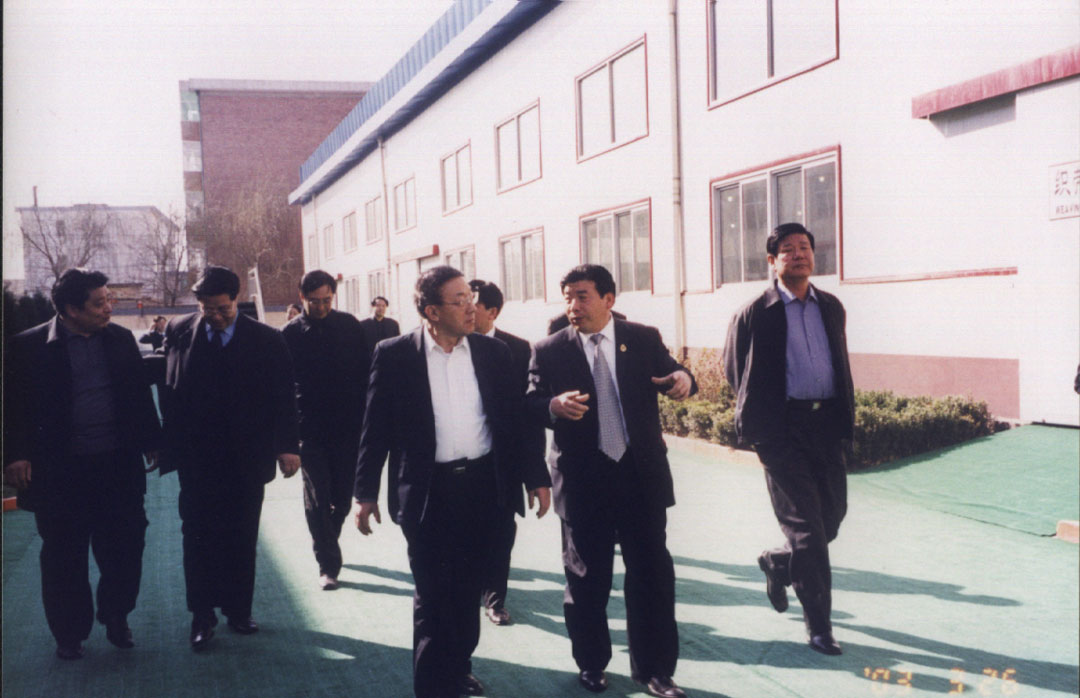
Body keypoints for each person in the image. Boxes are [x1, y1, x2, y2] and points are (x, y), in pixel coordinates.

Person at [354, 265, 551, 698]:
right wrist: (364, 493)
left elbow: (513, 423)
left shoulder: (493, 352)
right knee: (432, 592)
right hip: (428, 491)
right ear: (432, 311)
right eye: (459, 300)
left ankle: (458, 668)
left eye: (471, 298)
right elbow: (375, 428)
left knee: (467, 591)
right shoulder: (394, 354)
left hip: (484, 489)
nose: (471, 308)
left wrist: (535, 477)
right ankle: (432, 686)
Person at [527, 264, 695, 698]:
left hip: (640, 478)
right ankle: (592, 663)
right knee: (586, 579)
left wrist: (683, 379)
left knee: (652, 576)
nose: (573, 305)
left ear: (608, 299)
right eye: (567, 297)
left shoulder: (642, 338)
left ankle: (656, 671)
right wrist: (552, 406)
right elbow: (529, 403)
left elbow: (675, 371)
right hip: (584, 481)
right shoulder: (549, 349)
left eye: (582, 296)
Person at [2, 268, 162, 660]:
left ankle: (116, 615)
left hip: (116, 466)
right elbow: (12, 406)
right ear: (72, 309)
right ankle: (69, 634)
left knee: (126, 546)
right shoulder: (28, 346)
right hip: (60, 471)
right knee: (63, 554)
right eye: (100, 303)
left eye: (109, 300)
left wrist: (151, 440)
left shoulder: (121, 339)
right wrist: (15, 454)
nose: (109, 308)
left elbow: (138, 395)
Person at [722, 222, 855, 656]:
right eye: (788, 249)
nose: (798, 254)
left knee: (831, 518)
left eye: (804, 247)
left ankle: (779, 562)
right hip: (781, 432)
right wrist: (763, 421)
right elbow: (734, 370)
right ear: (772, 261)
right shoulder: (755, 312)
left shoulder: (831, 306)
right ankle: (819, 625)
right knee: (807, 532)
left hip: (825, 427)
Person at [157, 266, 301, 651]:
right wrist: (165, 442)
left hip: (246, 459)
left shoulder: (267, 339)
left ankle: (238, 610)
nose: (216, 316)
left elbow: (284, 397)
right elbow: (169, 391)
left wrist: (288, 446)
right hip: (197, 459)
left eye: (223, 308)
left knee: (241, 534)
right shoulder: (179, 331)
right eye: (208, 309)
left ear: (237, 299)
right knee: (197, 536)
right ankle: (201, 616)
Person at [282, 270, 370, 590]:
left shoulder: (350, 327)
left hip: (348, 429)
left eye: (327, 301)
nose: (321, 307)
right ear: (301, 297)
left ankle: (327, 539)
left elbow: (366, 375)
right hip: (309, 431)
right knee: (318, 499)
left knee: (342, 501)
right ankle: (328, 565)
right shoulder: (289, 334)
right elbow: (280, 389)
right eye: (314, 301)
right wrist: (285, 439)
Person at [468, 278, 539, 627]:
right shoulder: (449, 347)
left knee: (500, 531)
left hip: (502, 462)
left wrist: (534, 475)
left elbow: (528, 417)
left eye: (472, 305)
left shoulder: (518, 350)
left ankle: (495, 600)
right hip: (460, 462)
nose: (465, 311)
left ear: (492, 312)